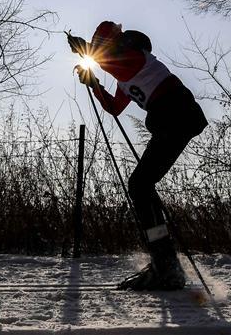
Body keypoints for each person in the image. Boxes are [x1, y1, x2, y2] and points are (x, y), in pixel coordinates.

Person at [67, 21, 208, 290]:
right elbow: (114, 107)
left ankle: (165, 262)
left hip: (177, 117)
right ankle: (164, 259)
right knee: (142, 186)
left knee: (140, 185)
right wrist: (95, 84)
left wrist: (86, 49)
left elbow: (107, 55)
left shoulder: (138, 58)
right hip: (174, 121)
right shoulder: (126, 75)